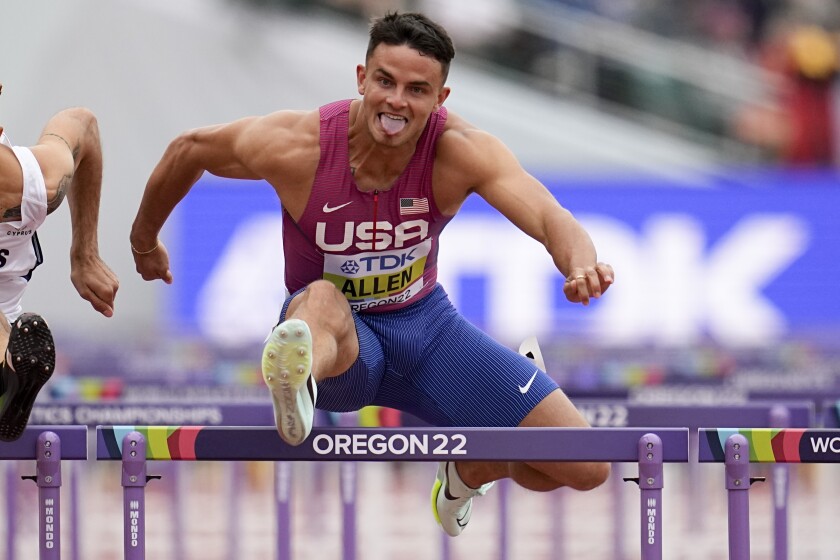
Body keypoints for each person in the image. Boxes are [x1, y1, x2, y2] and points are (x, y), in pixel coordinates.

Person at [130, 11, 613, 536]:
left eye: (416, 89)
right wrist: (143, 241)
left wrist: (580, 263)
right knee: (319, 299)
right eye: (385, 81)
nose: (396, 102)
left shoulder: (462, 152)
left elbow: (550, 217)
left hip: (429, 332)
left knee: (586, 466)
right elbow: (190, 149)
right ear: (362, 78)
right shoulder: (299, 145)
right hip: (344, 346)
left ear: (440, 99)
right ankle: (296, 384)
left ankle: (470, 469)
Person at [0, 90, 119, 441]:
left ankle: (6, 368)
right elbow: (83, 123)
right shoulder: (39, 181)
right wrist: (85, 253)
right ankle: (7, 364)